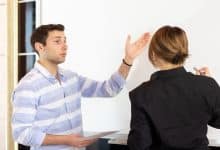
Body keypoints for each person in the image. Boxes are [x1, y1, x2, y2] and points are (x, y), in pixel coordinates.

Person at [11, 24, 150, 150]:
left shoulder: (72, 78)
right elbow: (21, 133)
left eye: (65, 40)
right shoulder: (28, 86)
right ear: (40, 47)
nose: (64, 46)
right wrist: (66, 140)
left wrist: (128, 59)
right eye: (57, 41)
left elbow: (109, 89)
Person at [127, 25, 220, 150]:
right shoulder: (207, 86)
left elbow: (139, 145)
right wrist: (208, 84)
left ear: (154, 55)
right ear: (183, 51)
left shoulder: (140, 94)